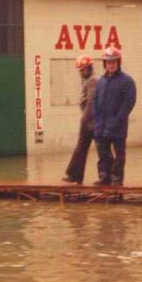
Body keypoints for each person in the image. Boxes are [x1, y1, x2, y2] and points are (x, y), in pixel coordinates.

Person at [92, 49, 136, 189]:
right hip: (101, 126)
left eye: (114, 62)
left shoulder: (127, 81)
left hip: (118, 125)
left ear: (118, 63)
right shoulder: (100, 82)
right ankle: (104, 176)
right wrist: (96, 121)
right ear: (105, 64)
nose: (111, 65)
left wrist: (118, 119)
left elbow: (129, 102)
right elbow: (95, 102)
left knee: (119, 154)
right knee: (103, 153)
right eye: (109, 62)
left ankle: (117, 178)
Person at [62, 54, 98, 185]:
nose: (82, 72)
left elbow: (91, 103)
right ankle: (75, 175)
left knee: (83, 148)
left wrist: (85, 120)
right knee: (84, 148)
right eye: (81, 70)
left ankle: (74, 175)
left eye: (84, 69)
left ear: (89, 68)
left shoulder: (92, 81)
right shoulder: (88, 81)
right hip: (90, 121)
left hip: (90, 121)